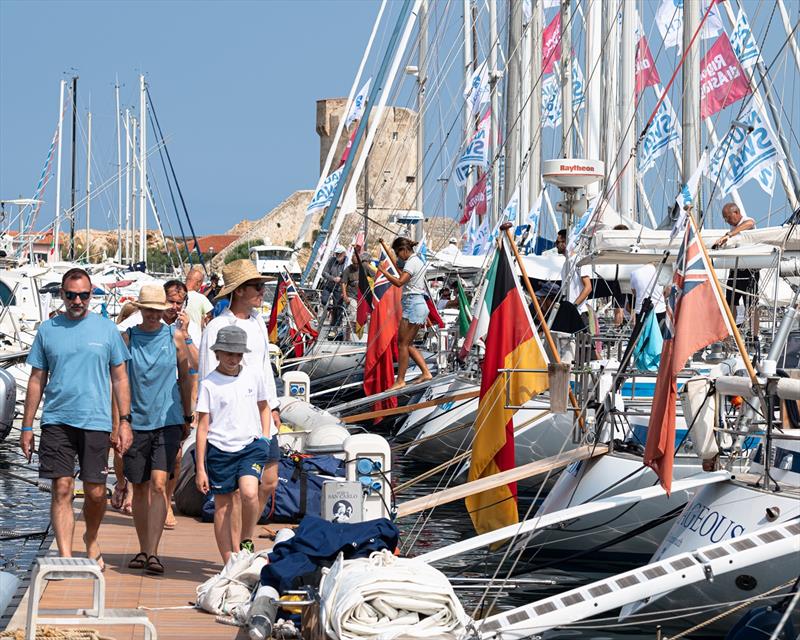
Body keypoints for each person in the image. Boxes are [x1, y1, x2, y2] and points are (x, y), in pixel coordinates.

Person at [20, 268, 132, 570]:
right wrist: (27, 426)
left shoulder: (106, 329)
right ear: (63, 295)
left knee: (96, 492)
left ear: (91, 293)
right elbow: (36, 379)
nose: (78, 301)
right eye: (71, 295)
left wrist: (124, 421)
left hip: (96, 422)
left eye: (84, 295)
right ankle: (66, 557)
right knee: (63, 487)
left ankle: (91, 538)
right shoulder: (48, 330)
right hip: (57, 420)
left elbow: (120, 378)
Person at [200, 259, 281, 548]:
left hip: (260, 411)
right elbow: (209, 376)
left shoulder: (258, 322)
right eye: (257, 287)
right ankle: (235, 550)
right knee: (235, 492)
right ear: (239, 291)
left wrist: (273, 406)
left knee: (269, 481)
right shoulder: (219, 327)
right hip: (231, 420)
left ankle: (246, 537)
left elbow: (264, 367)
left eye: (262, 286)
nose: (262, 291)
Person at [119, 285, 194, 575]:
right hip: (136, 420)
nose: (152, 314)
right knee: (139, 486)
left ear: (164, 310)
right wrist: (119, 421)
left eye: (156, 309)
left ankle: (153, 552)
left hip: (168, 418)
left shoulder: (174, 337)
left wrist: (187, 414)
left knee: (160, 484)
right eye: (147, 309)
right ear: (140, 309)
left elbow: (186, 378)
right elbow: (118, 382)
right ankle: (142, 547)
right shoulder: (128, 339)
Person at [195, 325, 279, 563]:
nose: (233, 359)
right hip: (219, 449)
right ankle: (228, 560)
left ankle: (245, 538)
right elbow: (202, 426)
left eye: (238, 354)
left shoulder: (254, 374)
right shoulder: (209, 383)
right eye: (228, 353)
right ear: (217, 353)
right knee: (222, 505)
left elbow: (264, 406)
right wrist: (200, 468)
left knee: (250, 493)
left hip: (251, 446)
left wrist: (264, 437)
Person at [377, 237, 433, 390]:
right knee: (407, 344)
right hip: (417, 304)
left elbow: (399, 282)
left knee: (402, 344)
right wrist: (384, 245)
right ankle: (426, 372)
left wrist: (383, 272)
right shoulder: (416, 261)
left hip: (413, 304)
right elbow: (398, 269)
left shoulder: (411, 262)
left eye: (397, 252)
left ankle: (400, 380)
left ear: (404, 250)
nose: (398, 256)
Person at [713, 202, 759, 333]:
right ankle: (730, 332)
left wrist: (729, 235)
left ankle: (754, 335)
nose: (727, 220)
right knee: (730, 301)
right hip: (736, 269)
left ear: (736, 213)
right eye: (725, 218)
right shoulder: (733, 230)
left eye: (728, 217)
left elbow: (750, 223)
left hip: (750, 270)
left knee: (751, 303)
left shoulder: (746, 222)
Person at [556, 229, 592, 330]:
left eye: (558, 242)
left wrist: (574, 306)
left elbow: (588, 287)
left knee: (581, 344)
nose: (556, 245)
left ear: (565, 242)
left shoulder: (579, 260)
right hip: (569, 311)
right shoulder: (565, 264)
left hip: (579, 312)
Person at [629, 262, 667, 334]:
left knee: (642, 337)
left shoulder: (634, 272)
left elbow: (634, 292)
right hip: (659, 309)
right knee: (658, 337)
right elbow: (668, 289)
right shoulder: (662, 270)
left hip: (641, 310)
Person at [320, 245, 347, 327]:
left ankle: (335, 324)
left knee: (337, 306)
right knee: (324, 300)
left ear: (344, 254)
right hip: (329, 285)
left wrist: (341, 279)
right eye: (336, 254)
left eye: (339, 254)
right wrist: (332, 278)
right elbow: (324, 272)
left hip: (339, 288)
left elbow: (347, 275)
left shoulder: (347, 263)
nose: (337, 256)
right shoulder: (332, 260)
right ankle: (330, 310)